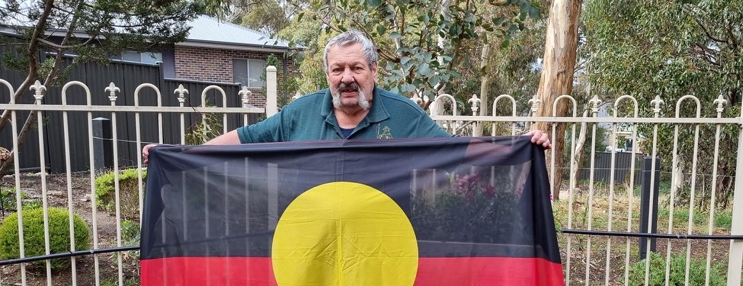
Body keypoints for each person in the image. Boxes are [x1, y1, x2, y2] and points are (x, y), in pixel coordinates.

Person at [142, 30, 550, 164]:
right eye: (338, 69)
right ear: (328, 74)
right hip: (309, 246)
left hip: (382, 245)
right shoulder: (299, 113)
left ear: (374, 71)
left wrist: (519, 145)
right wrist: (181, 153)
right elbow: (244, 139)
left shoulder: (404, 115)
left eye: (357, 68)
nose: (347, 78)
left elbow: (457, 150)